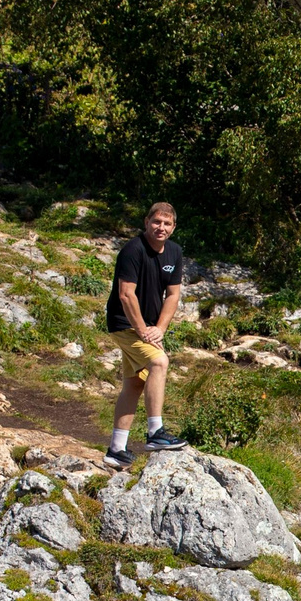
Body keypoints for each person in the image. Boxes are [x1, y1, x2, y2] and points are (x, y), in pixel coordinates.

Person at [106, 201, 191, 468]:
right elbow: (125, 294)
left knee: (134, 383)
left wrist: (160, 329)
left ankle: (116, 450)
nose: (161, 228)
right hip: (124, 324)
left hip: (149, 328)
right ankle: (155, 432)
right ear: (146, 222)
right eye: (156, 222)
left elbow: (173, 295)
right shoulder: (133, 250)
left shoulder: (174, 252)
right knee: (159, 362)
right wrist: (143, 330)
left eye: (167, 224)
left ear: (174, 227)